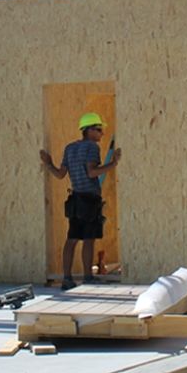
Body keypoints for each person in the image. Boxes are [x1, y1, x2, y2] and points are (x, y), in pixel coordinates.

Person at [40, 112, 123, 288]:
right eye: (99, 130)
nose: (101, 134)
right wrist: (113, 164)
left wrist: (48, 163)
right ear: (89, 130)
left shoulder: (69, 148)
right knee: (89, 239)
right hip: (90, 199)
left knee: (71, 239)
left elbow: (60, 174)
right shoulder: (92, 147)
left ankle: (67, 278)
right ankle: (87, 277)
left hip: (76, 199)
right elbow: (92, 172)